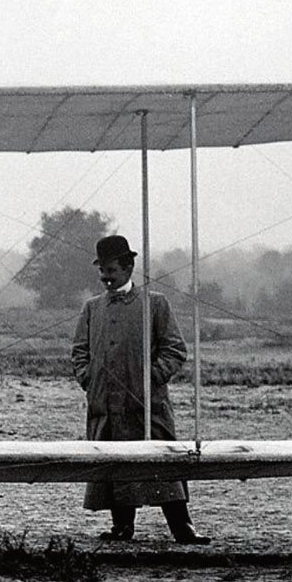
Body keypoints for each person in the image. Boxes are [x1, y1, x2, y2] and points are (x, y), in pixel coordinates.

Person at [71, 233, 210, 544]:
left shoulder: (155, 304)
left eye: (112, 271)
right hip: (105, 404)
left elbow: (175, 349)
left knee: (162, 461)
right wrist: (89, 380)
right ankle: (122, 526)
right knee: (113, 461)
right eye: (102, 272)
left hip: (147, 405)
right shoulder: (92, 309)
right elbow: (79, 351)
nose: (106, 278)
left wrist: (150, 380)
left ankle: (181, 526)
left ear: (129, 267)